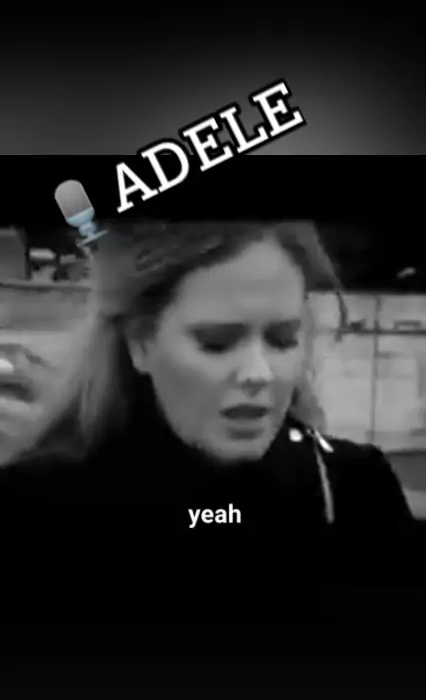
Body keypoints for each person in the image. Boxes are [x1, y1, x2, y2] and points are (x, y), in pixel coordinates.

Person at [0, 218, 414, 611]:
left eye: (282, 340)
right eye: (217, 343)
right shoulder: (39, 508)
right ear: (140, 343)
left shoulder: (357, 491)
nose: (259, 373)